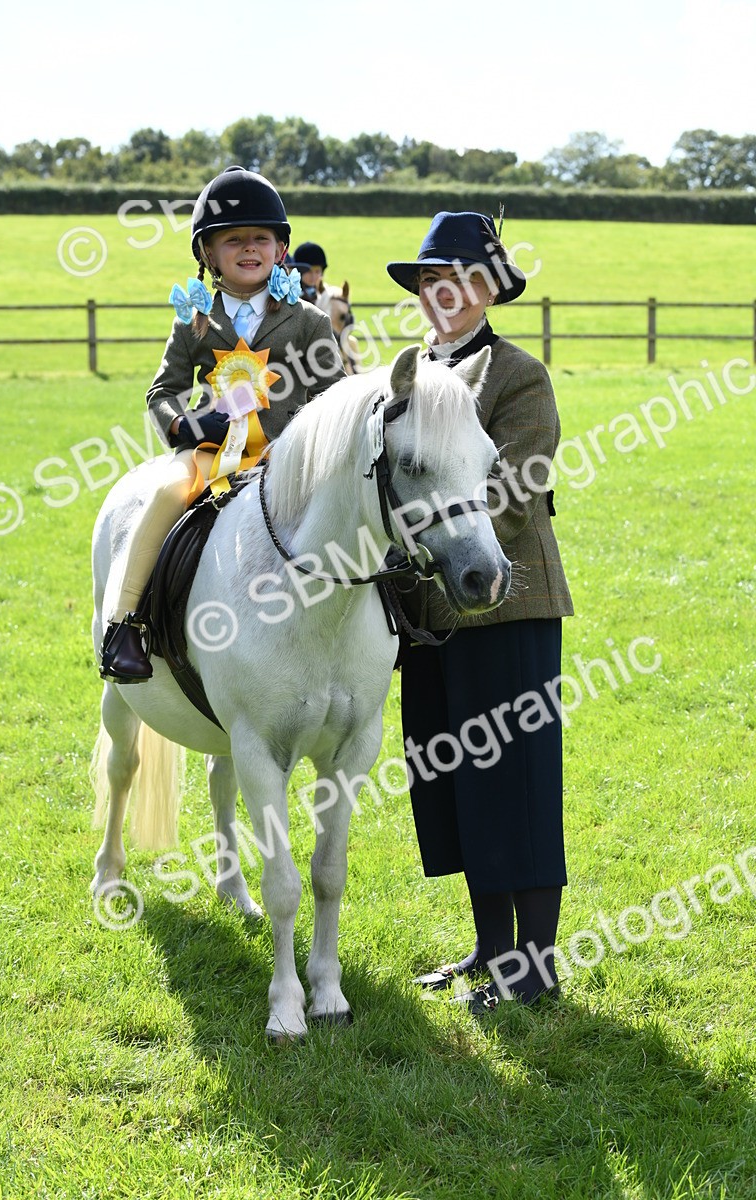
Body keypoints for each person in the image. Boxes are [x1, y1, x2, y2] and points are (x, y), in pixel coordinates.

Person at [386, 211, 574, 1012]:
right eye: (432, 282)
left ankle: (533, 968)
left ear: (490, 288)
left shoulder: (518, 375)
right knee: (456, 779)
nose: (444, 294)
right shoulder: (408, 377)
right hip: (428, 610)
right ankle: (490, 950)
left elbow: (516, 487)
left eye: (460, 280)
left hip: (508, 602)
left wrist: (444, 544)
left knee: (516, 780)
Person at [99, 166, 345, 682]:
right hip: (211, 455)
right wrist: (183, 428)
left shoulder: (309, 320)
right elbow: (161, 390)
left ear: (281, 249)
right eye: (233, 240)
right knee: (165, 493)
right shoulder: (195, 318)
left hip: (288, 458)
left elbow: (334, 401)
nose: (249, 248)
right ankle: (125, 625)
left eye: (261, 238)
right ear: (208, 253)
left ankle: (393, 612)